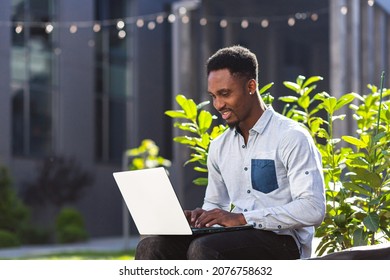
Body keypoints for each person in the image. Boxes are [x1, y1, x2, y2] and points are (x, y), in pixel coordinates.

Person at [135, 45, 326, 260]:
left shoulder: (291, 136)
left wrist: (242, 218)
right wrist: (201, 218)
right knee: (152, 246)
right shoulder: (219, 147)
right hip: (235, 237)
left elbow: (313, 208)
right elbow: (216, 204)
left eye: (225, 94)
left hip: (283, 242)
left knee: (204, 248)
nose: (218, 104)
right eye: (214, 96)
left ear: (251, 86)